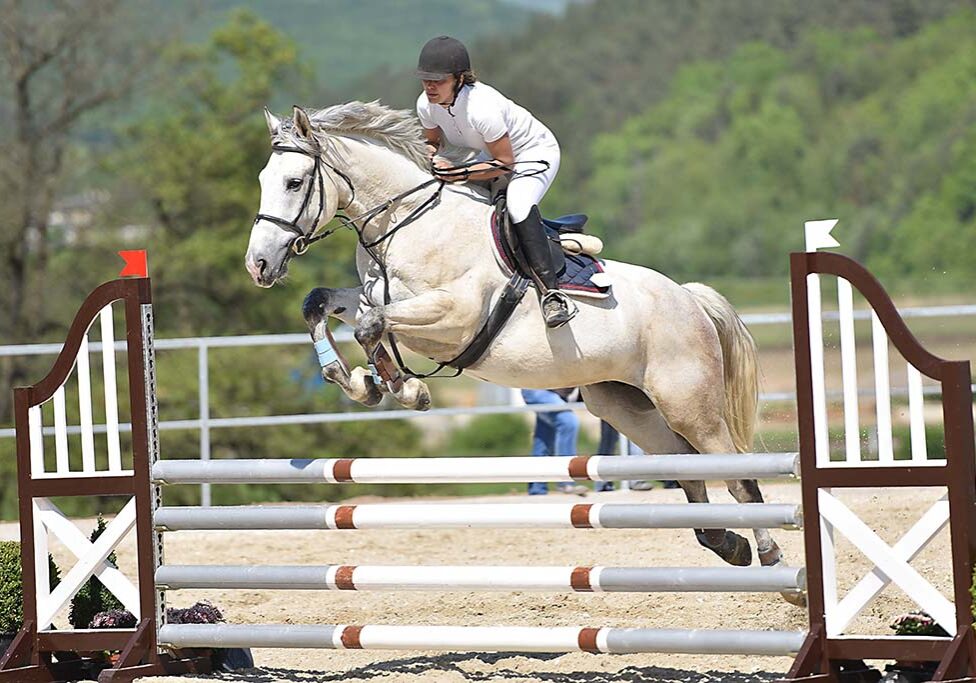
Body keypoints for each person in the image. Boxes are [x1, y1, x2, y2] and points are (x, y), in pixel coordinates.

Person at [415, 35, 573, 328]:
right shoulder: (427, 104)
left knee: (518, 204)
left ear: (459, 79)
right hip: (489, 156)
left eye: (438, 80)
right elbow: (433, 142)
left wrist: (460, 173)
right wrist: (428, 155)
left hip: (532, 155)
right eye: (426, 80)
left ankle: (552, 294)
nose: (430, 87)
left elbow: (505, 163)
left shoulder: (482, 107)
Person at [521, 388, 587, 496]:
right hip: (540, 389)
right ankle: (565, 480)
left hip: (548, 391)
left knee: (544, 438)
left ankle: (537, 488)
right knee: (568, 422)